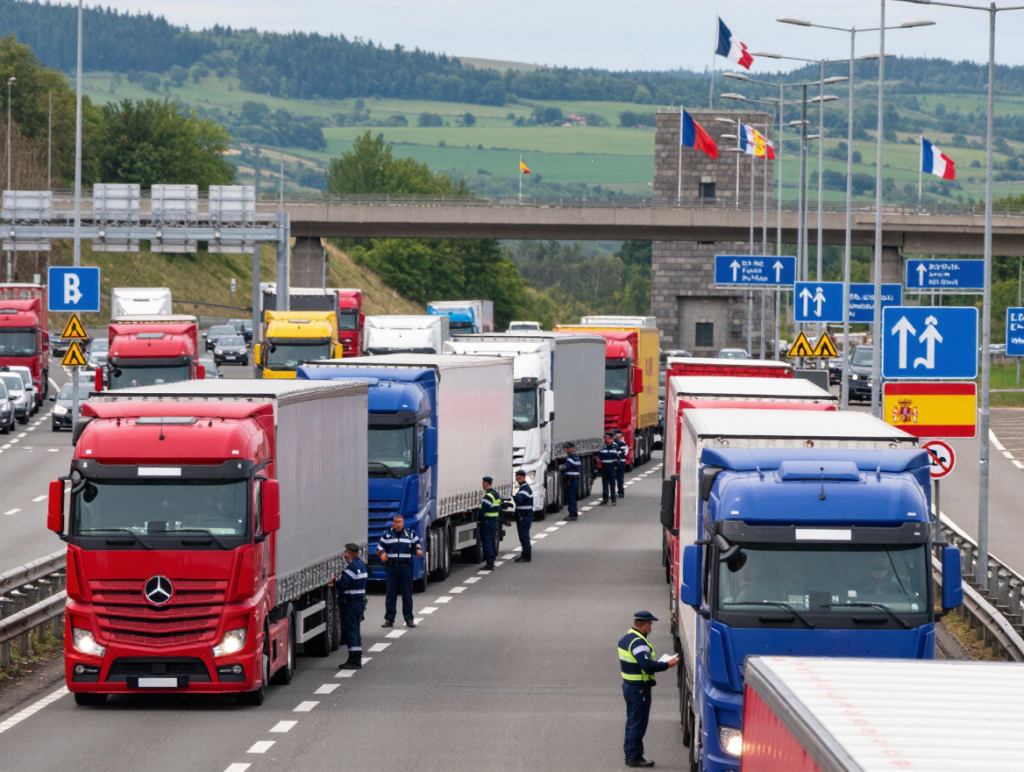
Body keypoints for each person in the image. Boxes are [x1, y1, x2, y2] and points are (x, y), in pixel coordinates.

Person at [618, 611, 678, 768]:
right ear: (644, 624)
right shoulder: (638, 643)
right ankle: (634, 756)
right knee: (638, 723)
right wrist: (667, 664)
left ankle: (630, 753)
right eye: (650, 624)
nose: (651, 626)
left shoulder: (626, 638)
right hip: (639, 689)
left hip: (630, 686)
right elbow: (647, 665)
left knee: (631, 721)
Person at [377, 514, 422, 628]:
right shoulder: (387, 534)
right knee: (391, 595)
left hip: (405, 569)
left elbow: (417, 545)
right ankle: (389, 619)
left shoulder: (409, 534)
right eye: (396, 522)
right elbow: (379, 547)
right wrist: (382, 554)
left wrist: (418, 551)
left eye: (400, 522)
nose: (397, 524)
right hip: (392, 568)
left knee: (407, 594)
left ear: (403, 523)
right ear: (393, 523)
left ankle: (409, 618)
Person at [334, 544, 367, 670]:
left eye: (345, 552)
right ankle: (355, 658)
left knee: (351, 631)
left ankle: (354, 661)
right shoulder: (362, 566)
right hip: (359, 603)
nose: (344, 555)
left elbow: (342, 585)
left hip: (351, 604)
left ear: (349, 553)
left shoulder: (351, 569)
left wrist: (335, 581)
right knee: (356, 631)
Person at [479, 476, 502, 570]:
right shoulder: (496, 494)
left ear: (486, 483)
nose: (482, 484)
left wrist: (479, 518)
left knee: (487, 541)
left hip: (487, 521)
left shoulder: (488, 496)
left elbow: (483, 509)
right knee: (491, 541)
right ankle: (491, 559)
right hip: (493, 521)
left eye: (483, 482)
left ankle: (490, 563)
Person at [513, 469, 534, 563]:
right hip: (524, 516)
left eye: (520, 476)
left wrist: (512, 495)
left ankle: (526, 556)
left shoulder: (525, 489)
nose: (518, 477)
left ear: (524, 476)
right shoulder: (523, 488)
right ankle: (525, 555)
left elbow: (519, 500)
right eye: (517, 476)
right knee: (523, 536)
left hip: (524, 516)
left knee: (524, 536)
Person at [561, 441, 581, 521]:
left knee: (571, 497)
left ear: (572, 448)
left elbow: (566, 467)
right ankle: (573, 513)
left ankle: (573, 514)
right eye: (566, 448)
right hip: (573, 479)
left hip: (571, 480)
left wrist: (561, 467)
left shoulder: (571, 457)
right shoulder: (574, 456)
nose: (566, 449)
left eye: (568, 448)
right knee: (571, 497)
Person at [597, 433, 618, 506]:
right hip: (604, 467)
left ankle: (613, 500)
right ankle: (605, 499)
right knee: (605, 484)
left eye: (609, 437)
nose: (607, 439)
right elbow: (600, 457)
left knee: (612, 483)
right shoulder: (603, 447)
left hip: (611, 467)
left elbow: (618, 457)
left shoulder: (615, 447)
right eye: (606, 438)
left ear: (612, 439)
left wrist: (616, 466)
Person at [614, 430, 628, 498]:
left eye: (620, 436)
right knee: (613, 478)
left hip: (621, 463)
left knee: (620, 478)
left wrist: (618, 456)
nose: (619, 437)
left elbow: (624, 453)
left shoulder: (623, 444)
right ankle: (614, 492)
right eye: (617, 436)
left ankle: (621, 492)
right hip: (615, 463)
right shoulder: (615, 444)